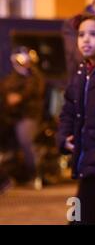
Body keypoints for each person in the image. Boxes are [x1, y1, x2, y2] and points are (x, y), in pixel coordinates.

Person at [58, 14, 95, 225]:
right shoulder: (81, 73)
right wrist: (63, 138)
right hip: (86, 161)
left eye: (93, 34)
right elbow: (68, 111)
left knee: (82, 217)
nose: (86, 40)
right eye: (81, 34)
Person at [0, 47, 45, 188]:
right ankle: (9, 177)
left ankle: (35, 175)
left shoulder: (34, 77)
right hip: (10, 116)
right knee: (9, 147)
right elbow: (7, 94)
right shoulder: (12, 78)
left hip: (28, 115)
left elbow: (32, 90)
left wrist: (19, 97)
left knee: (26, 141)